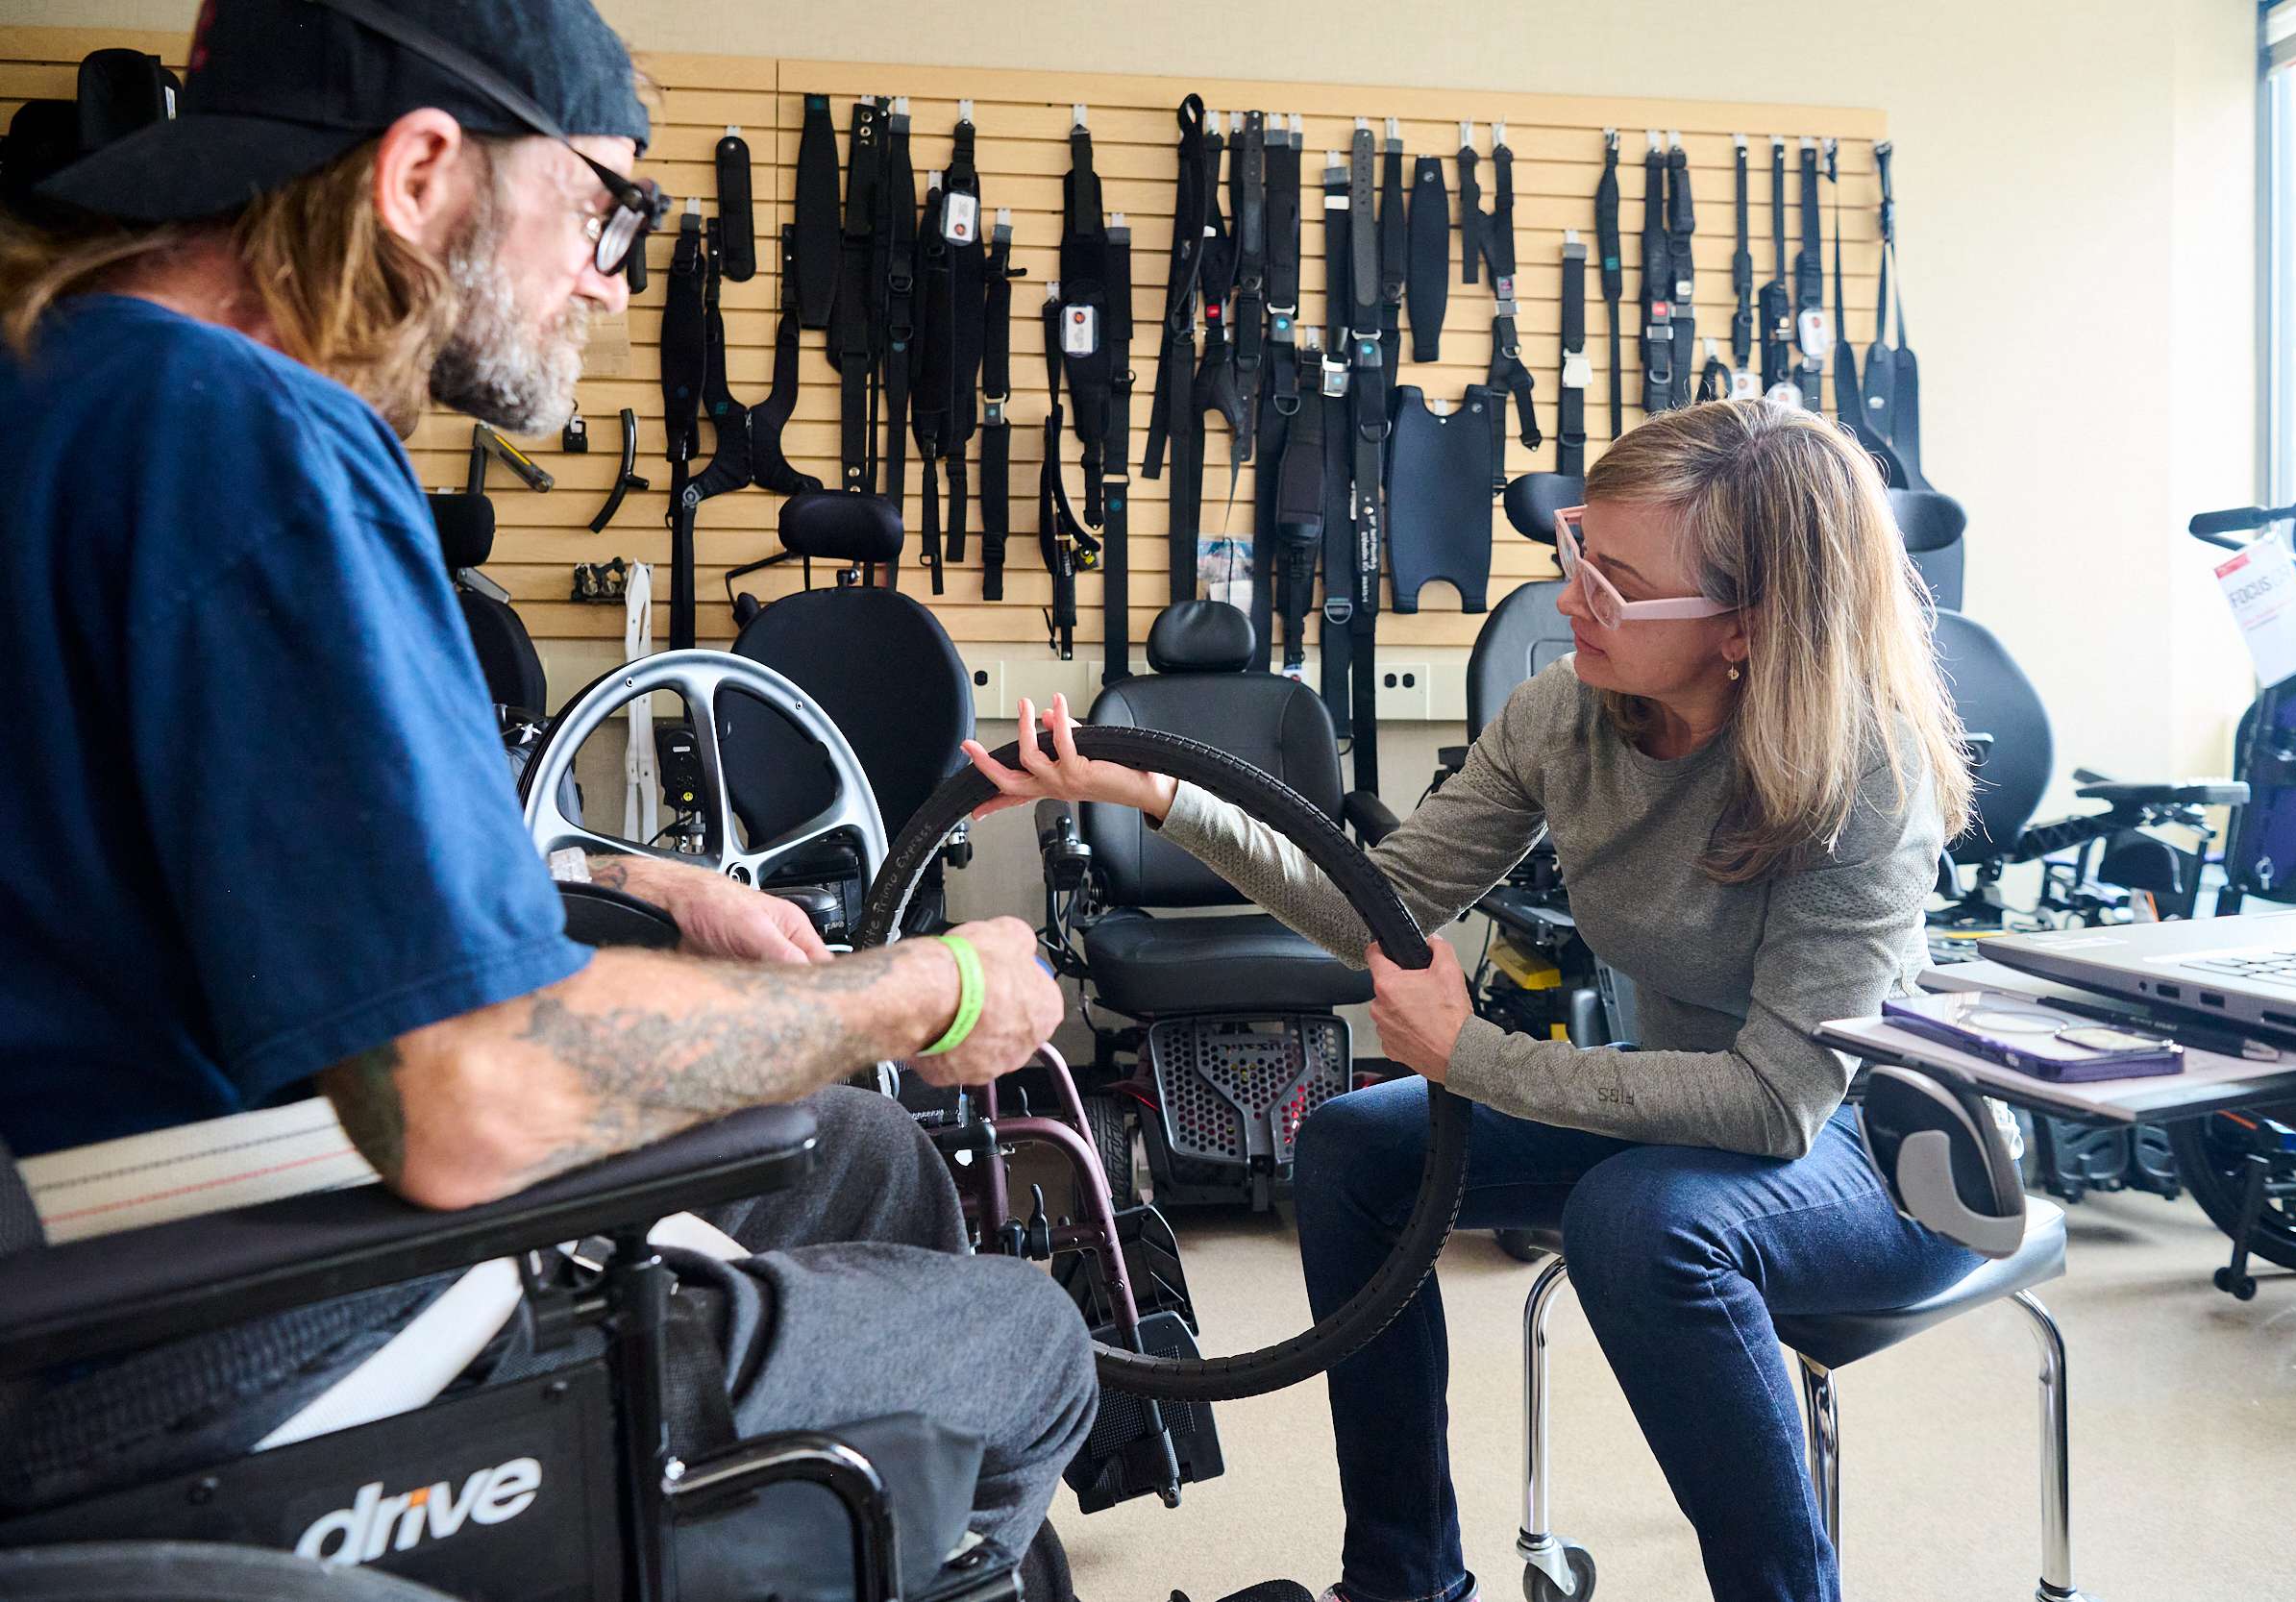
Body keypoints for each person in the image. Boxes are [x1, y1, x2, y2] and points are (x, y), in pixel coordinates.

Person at [0, 0, 1093, 1565]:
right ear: (423, 172)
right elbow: (463, 1098)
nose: (608, 273)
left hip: (139, 1196)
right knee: (1023, 1341)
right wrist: (916, 988)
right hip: (206, 1338)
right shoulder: (251, 437)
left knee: (854, 1147)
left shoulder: (72, 380)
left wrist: (661, 903)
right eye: (597, 204)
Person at [966, 400, 1985, 1602]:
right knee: (1352, 1143)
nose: (1568, 603)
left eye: (1612, 584)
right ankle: (1401, 1580)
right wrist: (1151, 795)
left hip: (1892, 1148)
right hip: (1677, 1127)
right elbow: (1378, 905)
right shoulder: (1567, 715)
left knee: (1640, 1217)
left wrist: (1472, 1056)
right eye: (1574, 557)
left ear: (1747, 628)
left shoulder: (1863, 767)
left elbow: (1775, 1102)